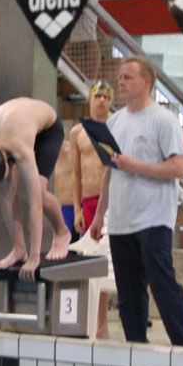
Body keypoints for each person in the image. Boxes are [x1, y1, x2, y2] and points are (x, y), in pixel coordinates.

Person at [89, 56, 183, 346]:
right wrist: (99, 215)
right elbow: (110, 171)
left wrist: (136, 166)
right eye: (120, 77)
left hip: (153, 217)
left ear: (146, 82)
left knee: (162, 285)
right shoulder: (115, 121)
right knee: (128, 293)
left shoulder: (164, 120)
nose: (120, 83)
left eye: (127, 78)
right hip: (121, 219)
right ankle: (135, 346)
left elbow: (178, 168)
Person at [0, 98, 70, 281]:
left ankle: (62, 232)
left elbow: (35, 206)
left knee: (39, 192)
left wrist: (34, 257)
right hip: (14, 125)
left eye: (4, 174)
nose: (4, 180)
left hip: (47, 129)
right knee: (6, 192)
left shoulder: (20, 150)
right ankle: (19, 248)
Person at [70, 79, 114, 339]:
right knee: (89, 260)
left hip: (111, 201)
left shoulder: (115, 127)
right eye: (98, 96)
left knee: (107, 263)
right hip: (88, 203)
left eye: (106, 97)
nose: (101, 101)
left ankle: (102, 324)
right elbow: (76, 175)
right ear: (90, 99)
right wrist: (76, 209)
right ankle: (87, 320)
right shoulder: (78, 132)